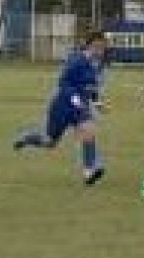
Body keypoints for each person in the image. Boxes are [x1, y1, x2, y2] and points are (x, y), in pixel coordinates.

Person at [12, 31, 108, 186]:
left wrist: (96, 102)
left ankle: (89, 172)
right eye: (97, 47)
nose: (100, 51)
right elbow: (63, 82)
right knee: (49, 142)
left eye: (103, 47)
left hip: (80, 107)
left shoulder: (99, 65)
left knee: (89, 131)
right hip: (62, 105)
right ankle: (27, 138)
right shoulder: (76, 59)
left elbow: (92, 87)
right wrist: (74, 98)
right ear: (89, 46)